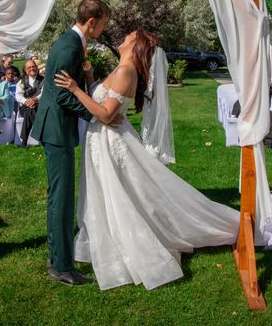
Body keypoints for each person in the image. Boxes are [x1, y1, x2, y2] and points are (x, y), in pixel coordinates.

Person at [54, 29, 239, 291]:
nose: (122, 38)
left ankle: (135, 244)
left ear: (135, 45)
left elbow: (105, 115)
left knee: (121, 194)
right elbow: (104, 99)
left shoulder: (126, 71)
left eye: (128, 37)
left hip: (111, 141)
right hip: (102, 141)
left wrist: (74, 89)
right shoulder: (121, 68)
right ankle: (109, 240)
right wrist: (90, 78)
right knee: (113, 193)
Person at [30, 0, 112, 286]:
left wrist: (87, 76)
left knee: (59, 196)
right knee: (62, 199)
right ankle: (62, 266)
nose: (104, 28)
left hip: (57, 128)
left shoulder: (73, 42)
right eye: (103, 23)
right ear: (91, 21)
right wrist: (95, 114)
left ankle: (58, 256)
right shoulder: (69, 46)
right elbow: (63, 94)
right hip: (56, 130)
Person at [15, 59, 44, 147]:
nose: (32, 69)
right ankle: (42, 138)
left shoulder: (44, 80)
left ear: (37, 68)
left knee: (30, 111)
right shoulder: (21, 82)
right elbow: (18, 96)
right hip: (25, 107)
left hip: (41, 106)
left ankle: (24, 141)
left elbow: (44, 93)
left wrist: (35, 100)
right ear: (25, 70)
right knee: (30, 109)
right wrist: (27, 101)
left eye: (33, 66)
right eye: (29, 67)